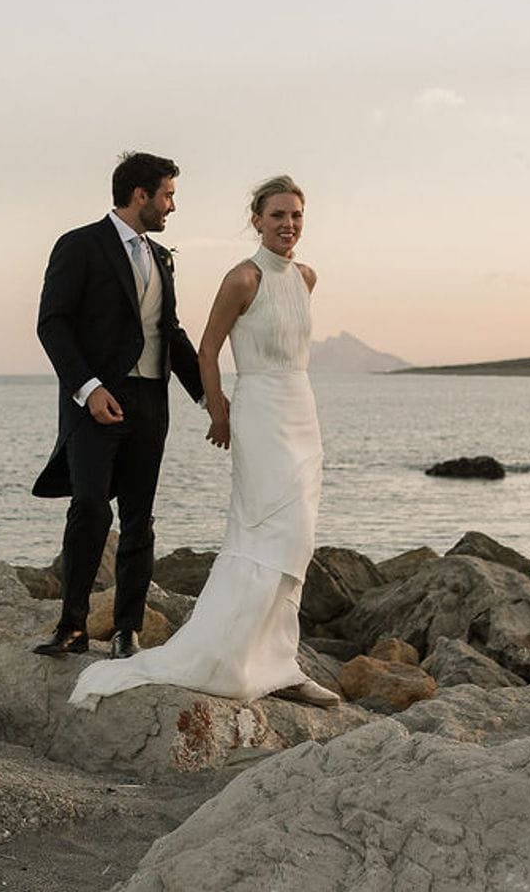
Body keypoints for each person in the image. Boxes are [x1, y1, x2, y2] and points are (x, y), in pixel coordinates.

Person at [68, 175, 339, 709]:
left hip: (302, 411)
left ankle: (281, 663)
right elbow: (209, 347)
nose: (288, 224)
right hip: (259, 413)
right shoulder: (243, 278)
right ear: (257, 220)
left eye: (296, 216)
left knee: (299, 538)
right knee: (265, 531)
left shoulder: (307, 278)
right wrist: (217, 409)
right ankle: (230, 656)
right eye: (278, 215)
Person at [32, 152, 205, 659]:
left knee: (139, 517)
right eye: (168, 195)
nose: (172, 206)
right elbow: (53, 323)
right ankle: (72, 625)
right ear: (140, 195)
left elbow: (168, 332)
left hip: (151, 401)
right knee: (88, 506)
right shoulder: (79, 245)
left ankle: (127, 629)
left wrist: (210, 398)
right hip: (95, 402)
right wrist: (88, 388)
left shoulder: (162, 257)